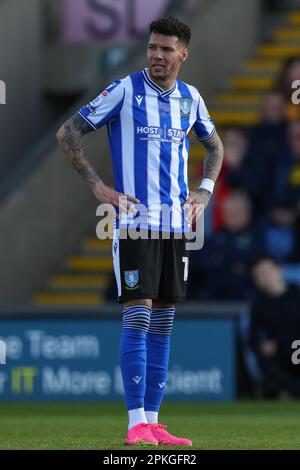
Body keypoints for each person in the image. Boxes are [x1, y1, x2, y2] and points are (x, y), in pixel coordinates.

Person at [56, 17, 223, 446]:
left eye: (167, 49)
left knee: (164, 323)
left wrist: (203, 193)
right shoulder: (125, 90)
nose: (157, 56)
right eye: (152, 47)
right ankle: (134, 424)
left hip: (174, 228)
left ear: (183, 54)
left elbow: (215, 145)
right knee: (139, 315)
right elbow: (69, 130)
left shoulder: (190, 99)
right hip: (133, 225)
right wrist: (97, 185)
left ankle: (152, 421)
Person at [249, 257, 300, 397]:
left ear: (279, 271)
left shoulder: (297, 295)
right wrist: (262, 345)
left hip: (297, 347)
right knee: (264, 359)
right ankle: (294, 391)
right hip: (279, 352)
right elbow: (252, 339)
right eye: (258, 275)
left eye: (267, 272)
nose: (264, 278)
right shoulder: (259, 305)